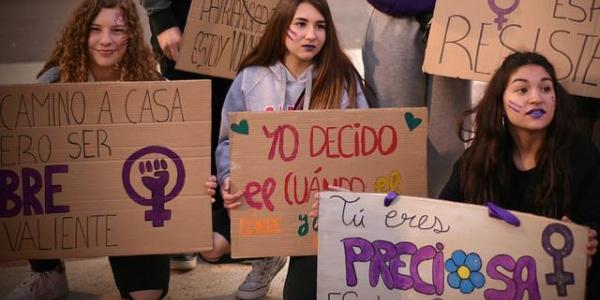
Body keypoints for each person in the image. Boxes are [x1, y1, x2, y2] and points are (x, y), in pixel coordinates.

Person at [6, 0, 168, 299]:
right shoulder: (53, 86)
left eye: (117, 30)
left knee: (147, 295)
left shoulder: (152, 87)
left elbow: (180, 150)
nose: (105, 40)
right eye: (95, 30)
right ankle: (48, 271)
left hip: (129, 207)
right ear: (81, 33)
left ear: (130, 35)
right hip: (73, 199)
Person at [211, 0, 370, 299]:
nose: (311, 35)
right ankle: (266, 259)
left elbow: (360, 152)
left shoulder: (344, 79)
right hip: (264, 199)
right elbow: (227, 142)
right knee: (211, 245)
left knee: (299, 295)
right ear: (282, 27)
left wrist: (346, 196)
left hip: (320, 208)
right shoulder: (251, 78)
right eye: (301, 24)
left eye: (320, 26)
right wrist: (228, 177)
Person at [438, 51, 599, 299]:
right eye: (522, 90)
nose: (537, 98)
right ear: (500, 102)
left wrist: (587, 238)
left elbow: (594, 220)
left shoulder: (581, 155)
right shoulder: (476, 160)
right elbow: (441, 217)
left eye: (546, 89)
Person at [139, 0, 234, 271]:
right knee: (188, 121)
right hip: (183, 22)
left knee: (231, 119)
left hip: (245, 22)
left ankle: (221, 229)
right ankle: (185, 229)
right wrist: (162, 18)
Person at [362, 0, 471, 197]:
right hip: (391, 15)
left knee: (448, 140)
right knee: (392, 136)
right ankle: (392, 219)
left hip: (454, 17)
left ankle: (441, 218)